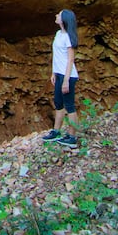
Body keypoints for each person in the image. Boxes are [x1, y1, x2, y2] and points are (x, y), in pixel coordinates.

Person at [43, 9, 80, 149]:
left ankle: (72, 136)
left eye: (58, 14)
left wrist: (65, 80)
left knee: (69, 106)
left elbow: (70, 60)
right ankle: (56, 131)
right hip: (59, 74)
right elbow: (56, 55)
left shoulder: (69, 37)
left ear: (64, 19)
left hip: (68, 76)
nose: (56, 15)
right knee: (58, 103)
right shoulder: (58, 34)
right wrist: (54, 73)